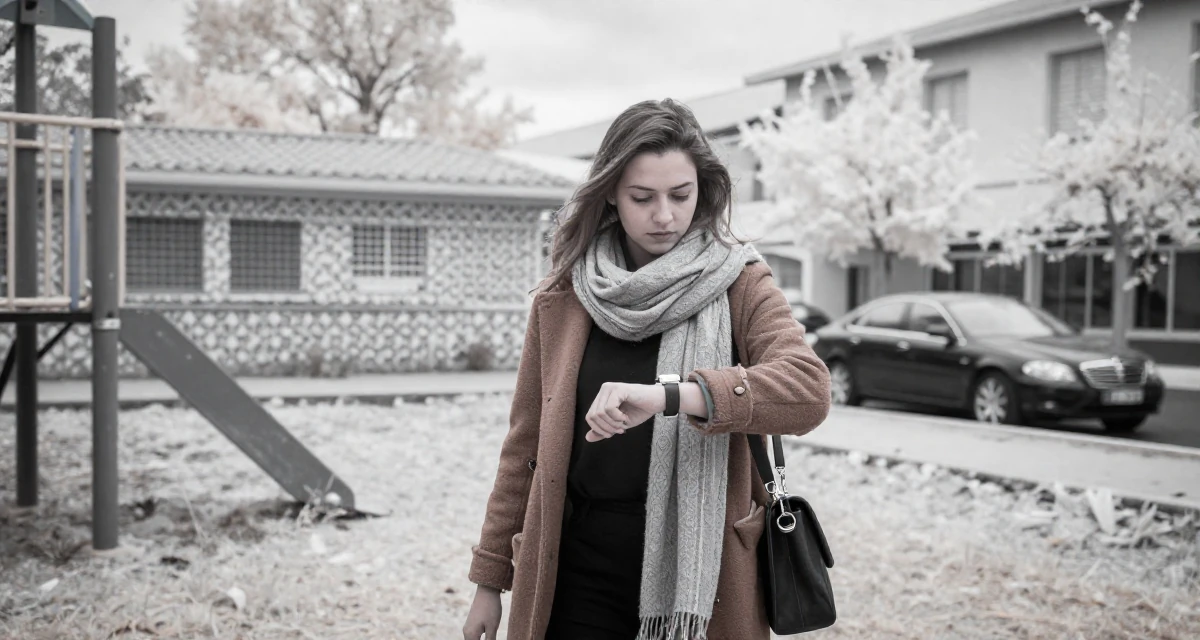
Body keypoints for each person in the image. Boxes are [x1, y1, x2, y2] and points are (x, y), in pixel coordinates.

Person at [462, 98, 831, 640]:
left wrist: (672, 395)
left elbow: (808, 389)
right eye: (643, 197)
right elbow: (525, 447)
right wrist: (489, 580)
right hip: (574, 566)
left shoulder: (740, 281)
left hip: (702, 573)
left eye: (680, 195)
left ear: (702, 189)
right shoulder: (564, 297)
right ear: (611, 193)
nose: (665, 215)